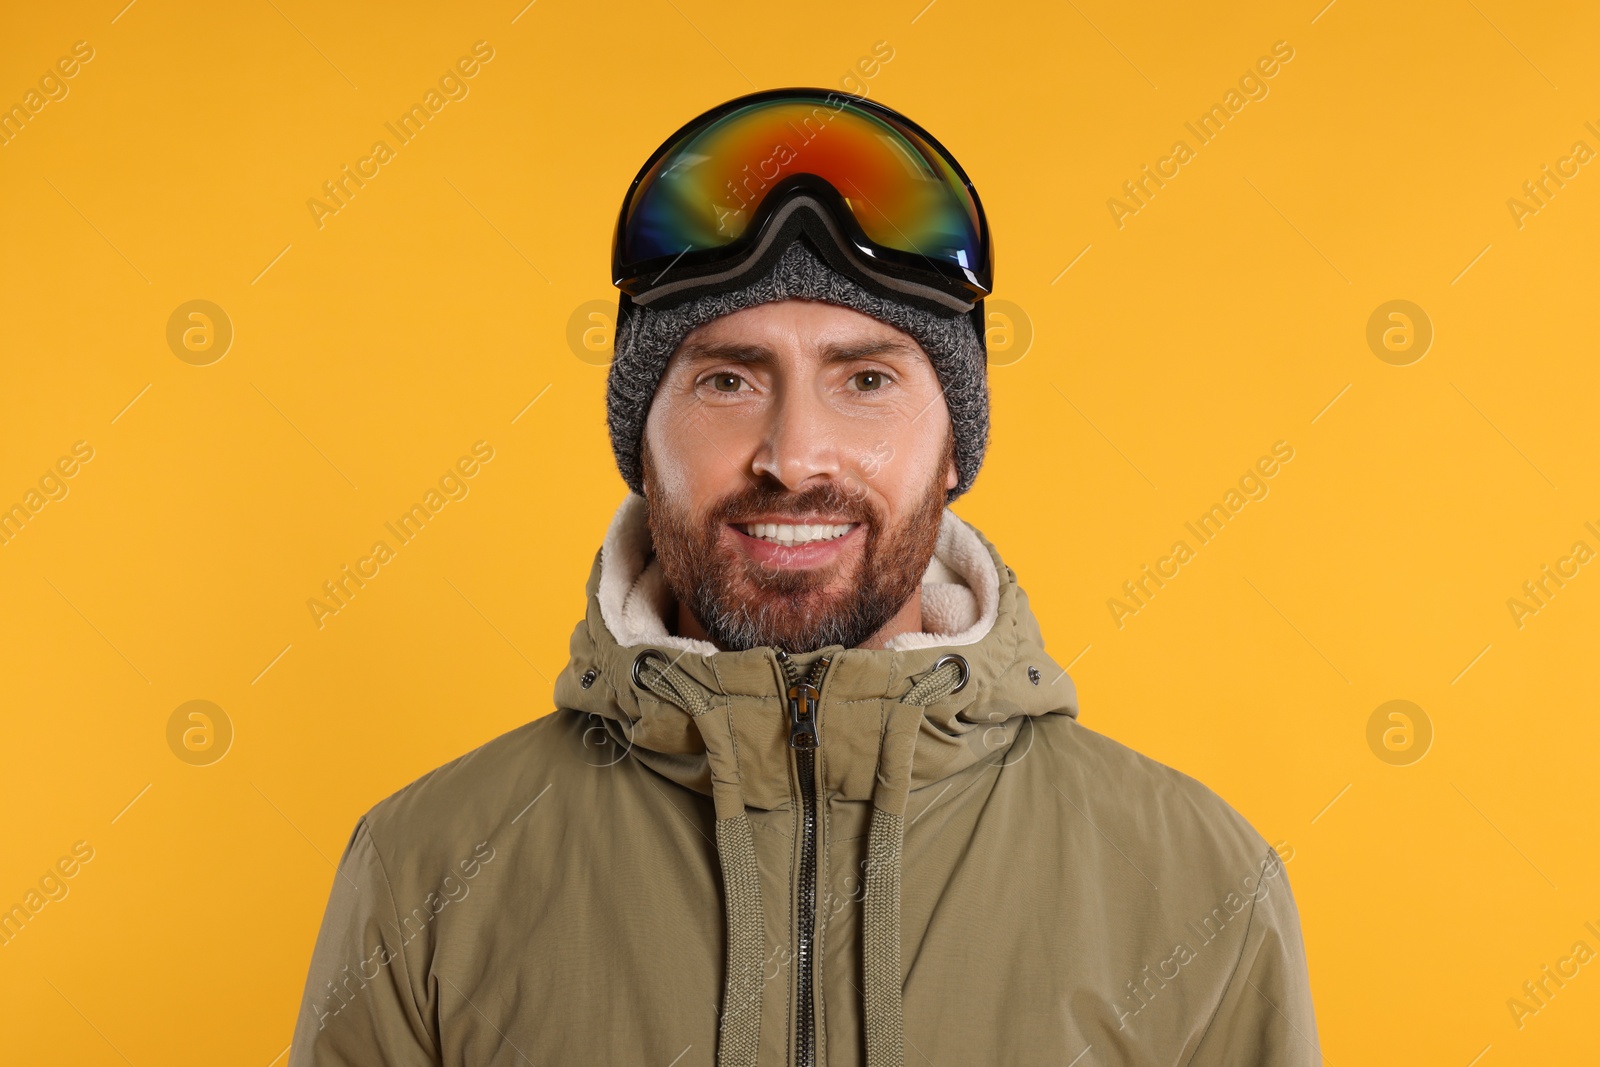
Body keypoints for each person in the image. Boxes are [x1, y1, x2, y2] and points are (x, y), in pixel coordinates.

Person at [290, 88, 1320, 1067]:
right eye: (727, 379)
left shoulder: (1198, 880)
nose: (794, 452)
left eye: (865, 379)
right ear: (639, 443)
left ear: (955, 443)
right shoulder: (424, 867)